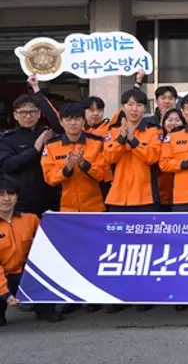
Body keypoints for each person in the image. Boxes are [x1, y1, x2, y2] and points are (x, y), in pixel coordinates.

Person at [0, 176, 61, 326]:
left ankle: (44, 309)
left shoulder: (30, 219)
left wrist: (53, 219)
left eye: (11, 194)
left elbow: (50, 244)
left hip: (23, 273)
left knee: (49, 266)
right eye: (1, 194)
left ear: (17, 197)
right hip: (2, 276)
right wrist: (5, 294)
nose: (6, 199)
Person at [41, 103, 109, 213]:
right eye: (68, 119)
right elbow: (49, 178)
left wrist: (84, 165)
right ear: (61, 122)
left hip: (95, 208)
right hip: (63, 209)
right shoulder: (51, 146)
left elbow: (103, 175)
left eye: (77, 119)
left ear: (83, 121)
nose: (73, 123)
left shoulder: (97, 143)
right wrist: (67, 169)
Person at [103, 89, 162, 212]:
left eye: (139, 105)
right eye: (130, 105)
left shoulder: (154, 131)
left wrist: (133, 140)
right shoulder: (113, 131)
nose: (134, 109)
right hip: (117, 197)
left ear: (145, 108)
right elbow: (109, 157)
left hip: (145, 197)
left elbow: (152, 158)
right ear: (122, 107)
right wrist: (121, 138)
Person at [0, 94, 57, 216]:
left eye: (32, 112)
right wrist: (35, 150)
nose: (28, 116)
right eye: (23, 112)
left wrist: (37, 90)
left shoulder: (48, 134)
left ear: (39, 114)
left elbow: (61, 122)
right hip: (21, 202)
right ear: (15, 115)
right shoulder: (7, 138)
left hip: (49, 200)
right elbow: (7, 165)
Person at [157, 109, 185, 211]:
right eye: (170, 120)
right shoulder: (157, 140)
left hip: (182, 192)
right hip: (160, 192)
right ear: (163, 123)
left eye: (177, 120)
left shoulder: (187, 140)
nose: (173, 123)